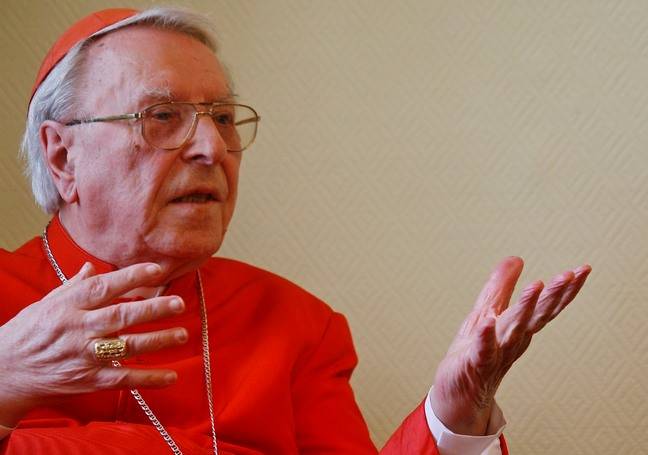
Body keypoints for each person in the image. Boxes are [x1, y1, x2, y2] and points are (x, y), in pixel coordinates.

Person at [0, 7, 591, 454]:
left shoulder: (294, 325)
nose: (212, 148)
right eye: (161, 117)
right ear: (63, 157)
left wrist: (454, 415)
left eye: (223, 118)